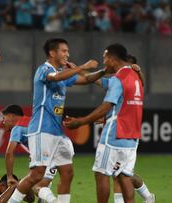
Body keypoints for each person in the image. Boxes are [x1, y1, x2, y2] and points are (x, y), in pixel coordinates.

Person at [8, 38, 98, 203]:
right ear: (52, 53)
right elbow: (55, 78)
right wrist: (82, 66)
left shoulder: (64, 74)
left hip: (57, 133)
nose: (67, 54)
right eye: (63, 51)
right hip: (42, 129)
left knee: (67, 172)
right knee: (37, 175)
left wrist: (106, 71)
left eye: (67, 51)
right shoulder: (44, 70)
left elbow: (87, 80)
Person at [64, 43, 144, 203]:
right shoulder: (135, 76)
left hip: (115, 134)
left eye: (105, 58)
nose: (104, 62)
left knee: (101, 174)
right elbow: (101, 82)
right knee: (124, 177)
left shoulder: (118, 79)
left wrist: (81, 122)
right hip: (132, 136)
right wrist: (80, 70)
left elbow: (105, 107)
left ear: (112, 59)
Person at [110, 54, 155, 203]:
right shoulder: (118, 84)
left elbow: (142, 83)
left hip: (128, 135)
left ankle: (147, 197)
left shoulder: (136, 86)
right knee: (123, 174)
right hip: (118, 133)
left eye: (129, 67)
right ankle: (148, 196)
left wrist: (140, 71)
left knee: (119, 174)